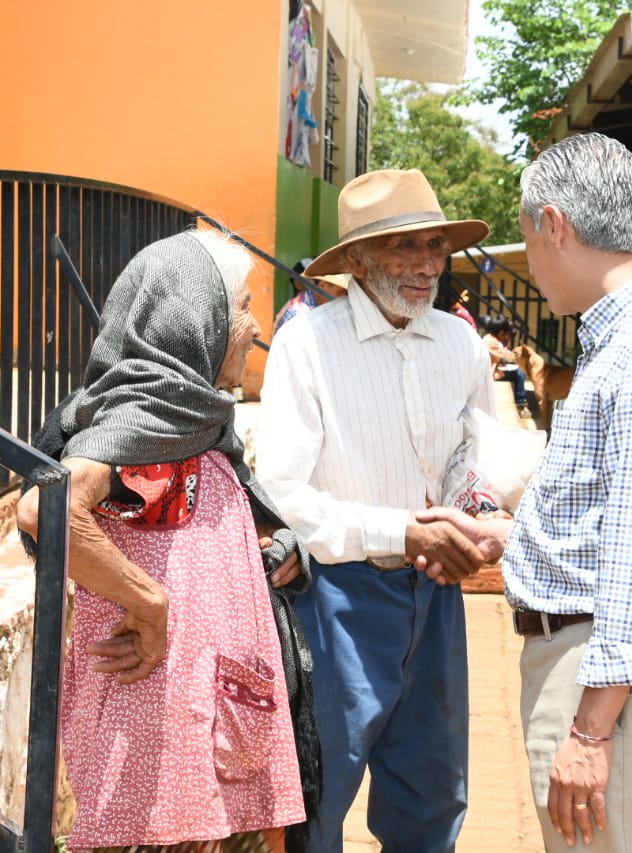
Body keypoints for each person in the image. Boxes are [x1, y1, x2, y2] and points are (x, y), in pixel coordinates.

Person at [420, 132, 632, 851]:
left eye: (529, 240)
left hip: (602, 669)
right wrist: (509, 536)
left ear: (555, 225)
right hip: (597, 660)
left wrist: (591, 731)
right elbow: (613, 514)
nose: (532, 263)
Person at [16, 228, 314, 852]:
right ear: (195, 318)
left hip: (207, 712)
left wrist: (276, 549)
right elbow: (48, 511)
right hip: (151, 733)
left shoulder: (196, 419)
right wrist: (147, 602)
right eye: (239, 308)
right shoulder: (140, 420)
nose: (254, 326)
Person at [255, 168, 500, 852]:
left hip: (438, 597)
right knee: (317, 793)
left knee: (432, 795)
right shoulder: (308, 345)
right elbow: (281, 491)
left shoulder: (461, 345)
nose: (425, 266)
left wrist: (475, 519)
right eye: (404, 247)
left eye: (435, 247)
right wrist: (400, 528)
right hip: (337, 597)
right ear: (357, 260)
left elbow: (477, 464)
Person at [273, 261, 350, 333]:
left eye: (346, 293)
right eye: (340, 292)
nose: (344, 297)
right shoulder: (297, 316)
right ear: (323, 285)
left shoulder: (329, 309)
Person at [479, 314, 532, 417]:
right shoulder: (492, 342)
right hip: (490, 374)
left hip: (492, 371)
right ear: (501, 332)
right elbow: (507, 356)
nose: (509, 337)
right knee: (519, 374)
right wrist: (519, 354)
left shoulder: (490, 339)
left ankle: (520, 403)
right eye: (507, 334)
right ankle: (521, 404)